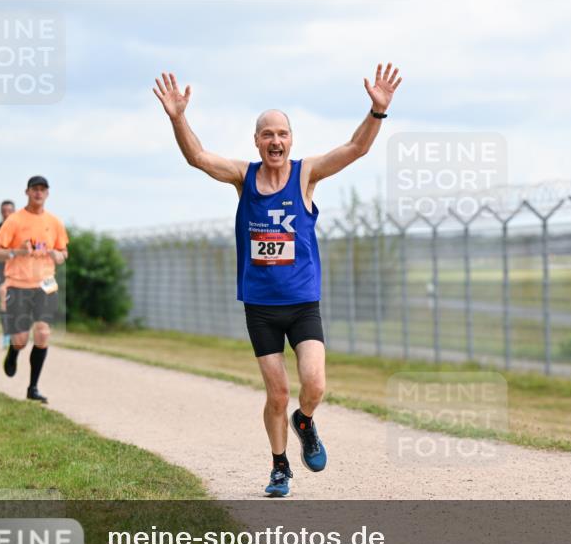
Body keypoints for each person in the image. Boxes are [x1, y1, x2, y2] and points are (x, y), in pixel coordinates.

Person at [153, 63, 402, 497]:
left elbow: (355, 149)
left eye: (282, 134)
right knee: (278, 393)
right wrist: (178, 118)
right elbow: (198, 158)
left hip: (303, 303)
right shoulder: (243, 176)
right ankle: (280, 467)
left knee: (315, 385)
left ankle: (305, 422)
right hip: (261, 307)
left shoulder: (306, 174)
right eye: (267, 134)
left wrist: (377, 111)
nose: (275, 141)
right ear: (256, 141)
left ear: (291, 140)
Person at [0, 176, 69, 403]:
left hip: (46, 284)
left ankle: (32, 387)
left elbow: (63, 252)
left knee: (42, 333)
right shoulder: (14, 220)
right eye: (35, 189)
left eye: (43, 189)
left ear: (47, 194)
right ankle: (13, 352)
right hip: (18, 284)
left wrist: (59, 255)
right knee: (21, 339)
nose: (38, 193)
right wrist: (17, 252)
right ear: (27, 192)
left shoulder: (54, 222)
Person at [0, 200, 16, 349]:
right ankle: (6, 335)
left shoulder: (20, 228)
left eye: (9, 211)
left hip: (18, 270)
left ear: (14, 212)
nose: (6, 214)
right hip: (0, 270)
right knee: (3, 299)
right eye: (4, 211)